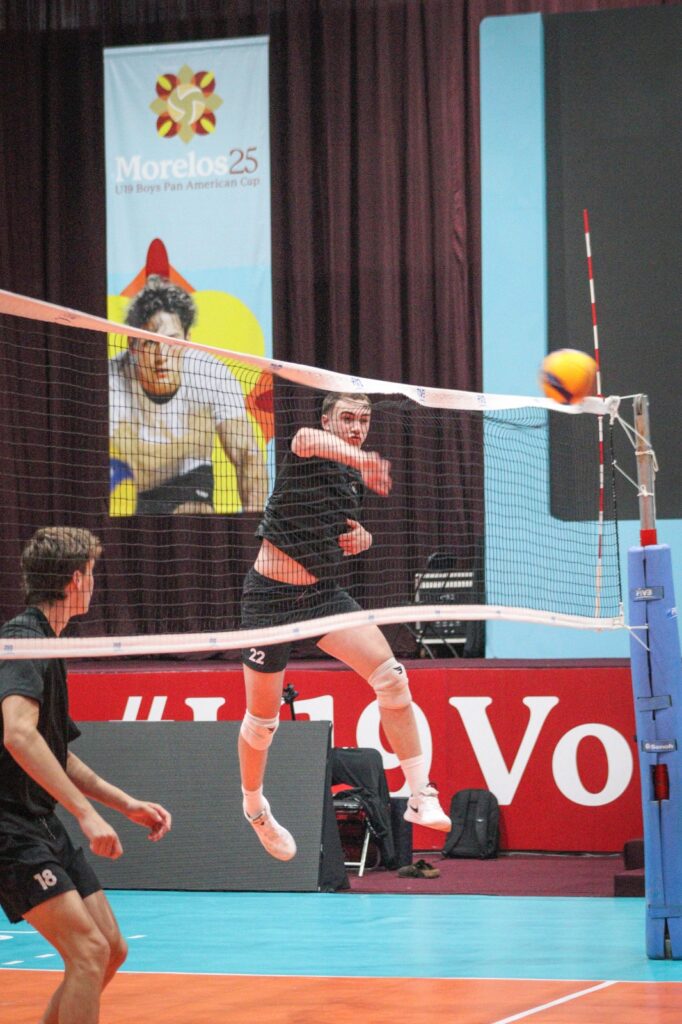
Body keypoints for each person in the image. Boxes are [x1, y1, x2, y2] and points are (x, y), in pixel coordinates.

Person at [239, 392, 451, 860]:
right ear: (327, 420)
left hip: (320, 597)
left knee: (392, 678)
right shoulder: (309, 449)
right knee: (263, 724)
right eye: (347, 418)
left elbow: (346, 529)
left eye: (365, 420)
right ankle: (255, 807)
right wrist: (363, 458)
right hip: (270, 602)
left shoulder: (351, 477)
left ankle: (420, 794)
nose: (357, 427)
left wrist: (365, 538)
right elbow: (304, 438)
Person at [0, 527, 172, 1024]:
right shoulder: (23, 641)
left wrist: (124, 804)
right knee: (88, 952)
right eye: (92, 573)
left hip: (39, 822)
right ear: (76, 580)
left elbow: (57, 754)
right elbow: (18, 734)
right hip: (9, 828)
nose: (94, 583)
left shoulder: (47, 645)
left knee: (110, 949)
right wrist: (86, 815)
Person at [109, 275, 269, 514]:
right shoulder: (111, 381)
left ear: (188, 341)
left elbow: (247, 453)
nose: (162, 356)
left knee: (194, 515)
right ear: (133, 345)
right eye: (150, 342)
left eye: (172, 341)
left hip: (189, 478)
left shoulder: (211, 374)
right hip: (133, 484)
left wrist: (254, 523)